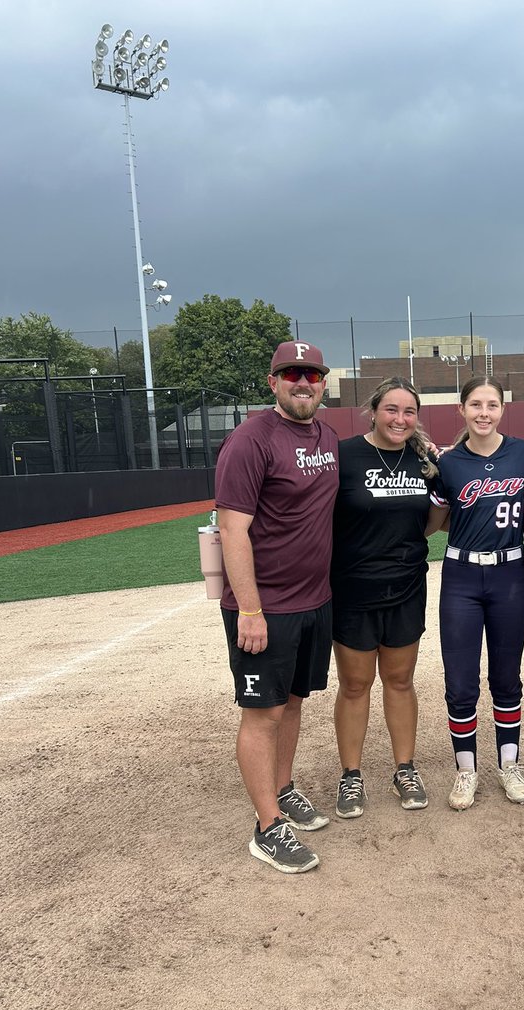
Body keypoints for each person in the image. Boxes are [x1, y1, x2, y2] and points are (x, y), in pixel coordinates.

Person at [215, 340, 338, 873]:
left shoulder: (328, 437)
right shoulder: (250, 441)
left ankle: (282, 788)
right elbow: (231, 529)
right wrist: (250, 609)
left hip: (316, 601)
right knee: (262, 713)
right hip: (265, 607)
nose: (303, 383)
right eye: (292, 375)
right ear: (273, 383)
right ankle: (267, 827)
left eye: (311, 375)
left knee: (292, 702)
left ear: (323, 383)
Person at [330, 377, 440, 819]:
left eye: (409, 412)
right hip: (353, 587)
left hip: (407, 585)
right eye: (391, 410)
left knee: (400, 681)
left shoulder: (425, 461)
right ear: (373, 411)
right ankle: (351, 775)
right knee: (355, 685)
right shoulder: (344, 456)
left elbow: (431, 522)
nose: (400, 419)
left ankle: (404, 769)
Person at [429, 377, 524, 811]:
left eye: (492, 404)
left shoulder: (523, 453)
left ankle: (509, 764)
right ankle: (466, 770)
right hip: (462, 576)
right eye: (476, 404)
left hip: (511, 574)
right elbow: (433, 522)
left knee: (506, 678)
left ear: (502, 409)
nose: (484, 412)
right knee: (460, 681)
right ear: (462, 409)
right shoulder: (449, 464)